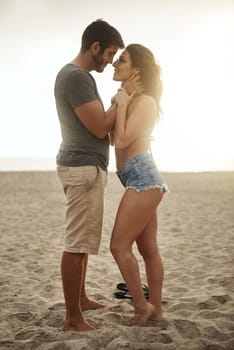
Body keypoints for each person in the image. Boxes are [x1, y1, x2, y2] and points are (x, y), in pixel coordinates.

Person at [54, 19, 140, 332]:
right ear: (95, 47)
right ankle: (73, 317)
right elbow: (100, 127)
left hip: (82, 166)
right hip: (82, 169)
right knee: (77, 242)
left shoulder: (76, 76)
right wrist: (122, 98)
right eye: (109, 53)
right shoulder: (76, 77)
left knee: (84, 240)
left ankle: (81, 298)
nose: (110, 60)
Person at [110, 44, 168, 326]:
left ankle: (141, 307)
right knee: (148, 251)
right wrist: (120, 101)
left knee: (119, 247)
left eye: (121, 60)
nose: (115, 64)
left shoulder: (145, 102)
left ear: (136, 69)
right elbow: (113, 140)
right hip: (136, 179)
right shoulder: (132, 99)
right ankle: (155, 311)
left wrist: (122, 103)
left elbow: (120, 142)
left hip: (144, 179)